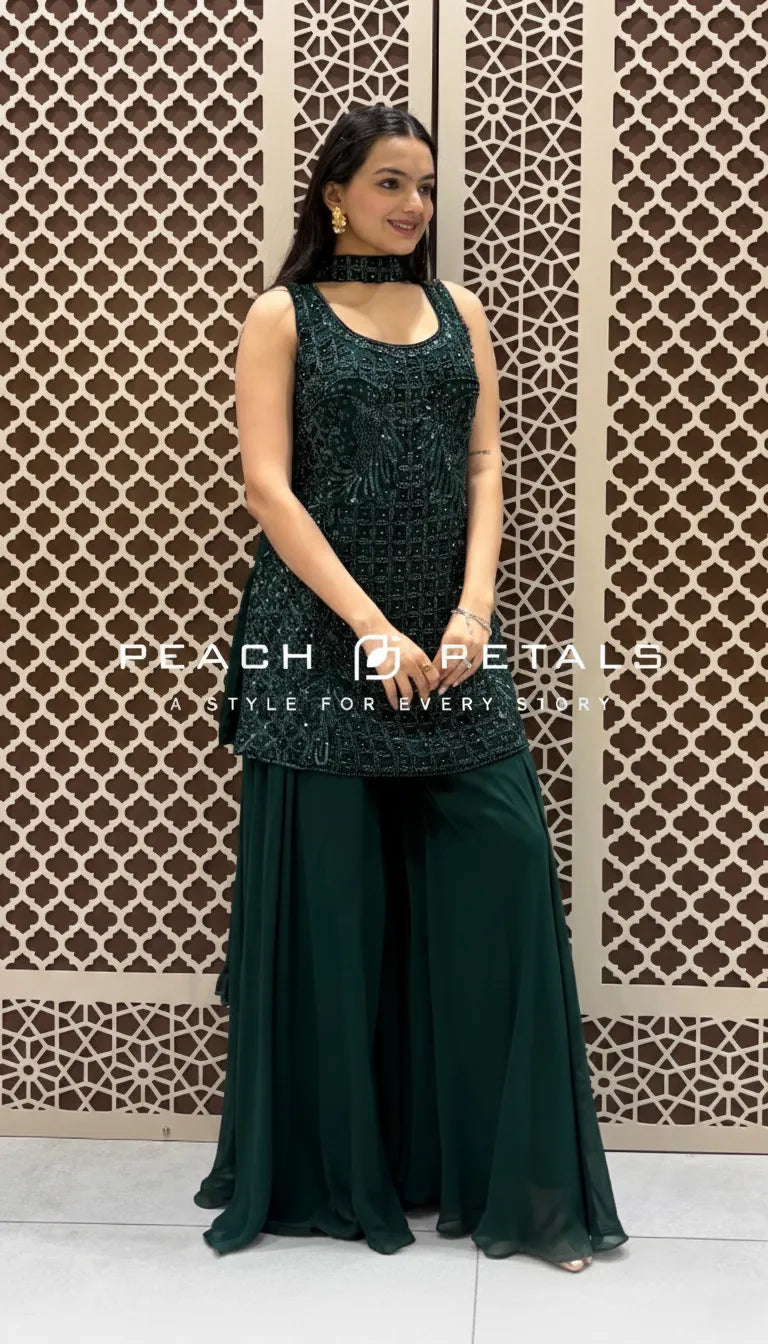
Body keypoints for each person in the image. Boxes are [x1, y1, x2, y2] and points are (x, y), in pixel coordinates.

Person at [194, 102, 629, 1273]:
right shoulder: (282, 315)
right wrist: (374, 630)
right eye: (390, 183)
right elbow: (268, 488)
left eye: (425, 186)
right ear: (335, 193)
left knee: (505, 876)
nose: (413, 205)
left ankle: (521, 1188)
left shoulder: (458, 311)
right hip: (320, 639)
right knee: (334, 918)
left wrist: (471, 611)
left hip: (454, 645)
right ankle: (336, 1175)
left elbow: (487, 462)